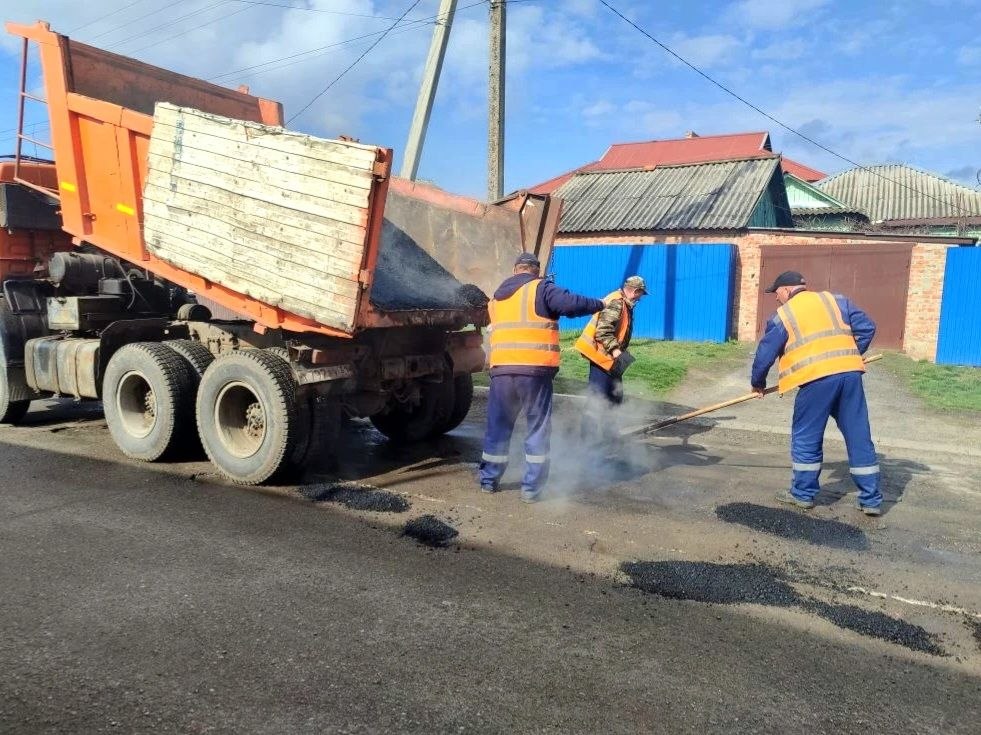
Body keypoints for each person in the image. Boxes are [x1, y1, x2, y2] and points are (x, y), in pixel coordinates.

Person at [751, 270, 882, 515]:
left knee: (807, 435)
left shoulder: (784, 314)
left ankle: (802, 494)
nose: (776, 298)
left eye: (776, 293)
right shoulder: (837, 300)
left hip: (815, 380)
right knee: (858, 435)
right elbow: (867, 327)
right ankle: (871, 500)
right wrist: (850, 354)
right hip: (850, 375)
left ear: (786, 289)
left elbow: (765, 353)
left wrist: (757, 383)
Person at [479, 253, 605, 503]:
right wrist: (599, 304)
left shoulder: (496, 298)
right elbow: (571, 304)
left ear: (515, 270)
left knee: (498, 426)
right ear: (536, 271)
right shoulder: (541, 288)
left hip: (501, 370)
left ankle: (488, 480)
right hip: (534, 371)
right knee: (537, 427)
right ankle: (531, 489)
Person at [575, 275, 647, 444]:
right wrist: (616, 351)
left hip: (610, 360)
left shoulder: (624, 303)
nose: (640, 298)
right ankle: (588, 442)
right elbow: (603, 331)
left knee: (615, 398)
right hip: (602, 359)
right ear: (635, 291)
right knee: (597, 400)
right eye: (640, 294)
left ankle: (610, 437)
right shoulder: (616, 303)